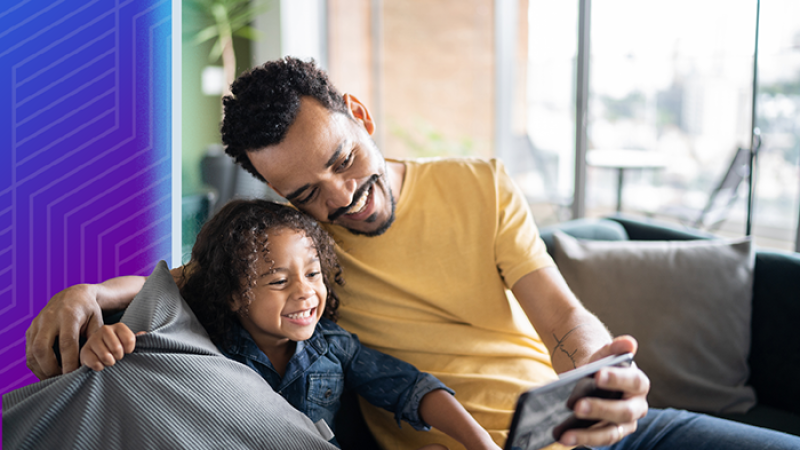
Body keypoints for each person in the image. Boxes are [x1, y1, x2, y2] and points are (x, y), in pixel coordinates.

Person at [26, 57, 800, 450]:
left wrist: (606, 373)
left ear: (358, 114)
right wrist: (90, 293)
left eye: (341, 159)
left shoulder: (479, 183)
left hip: (593, 429)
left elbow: (566, 320)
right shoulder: (305, 251)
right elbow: (195, 278)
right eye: (304, 195)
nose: (336, 198)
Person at [79, 199, 500, 450]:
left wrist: (481, 442)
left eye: (314, 274)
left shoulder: (333, 347)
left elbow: (410, 387)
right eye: (278, 281)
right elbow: (142, 368)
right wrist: (108, 340)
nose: (304, 292)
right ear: (231, 293)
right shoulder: (200, 343)